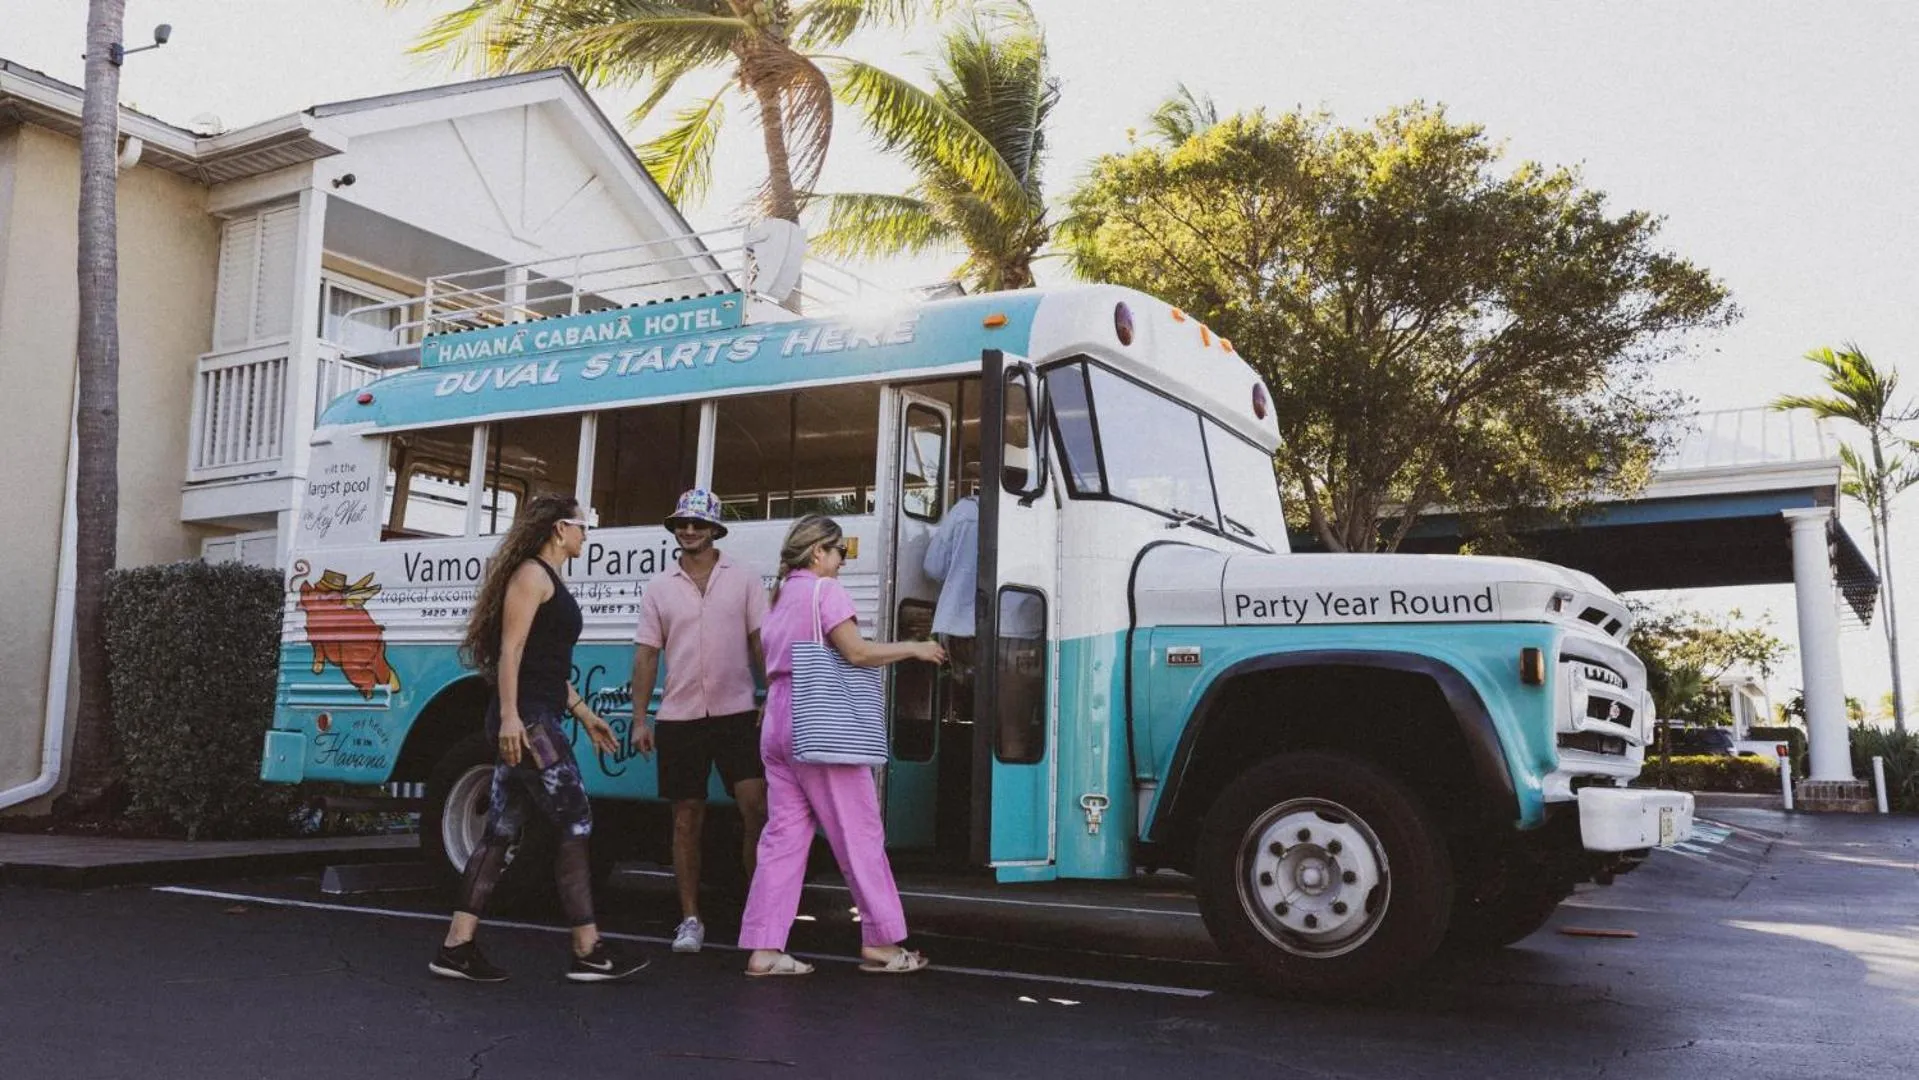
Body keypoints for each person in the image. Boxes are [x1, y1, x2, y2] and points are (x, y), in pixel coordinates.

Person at [429, 493, 649, 984]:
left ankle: (456, 947)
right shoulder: (531, 575)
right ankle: (588, 950)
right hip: (530, 726)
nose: (586, 535)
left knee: (501, 829)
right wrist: (509, 718)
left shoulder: (548, 579)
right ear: (558, 530)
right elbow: (510, 652)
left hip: (538, 714)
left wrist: (585, 713)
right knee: (575, 818)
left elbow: (545, 663)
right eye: (581, 526)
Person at [738, 515, 945, 977]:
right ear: (818, 553)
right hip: (821, 722)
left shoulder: (779, 598)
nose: (842, 564)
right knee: (860, 833)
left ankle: (766, 948)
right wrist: (915, 648)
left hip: (778, 717)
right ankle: (882, 941)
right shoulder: (823, 591)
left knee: (783, 839)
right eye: (839, 553)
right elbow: (856, 653)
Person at [628, 489, 770, 955]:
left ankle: (758, 912)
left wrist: (772, 695)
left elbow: (759, 642)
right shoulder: (659, 587)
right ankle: (690, 919)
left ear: (714, 530)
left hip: (736, 712)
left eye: (698, 524)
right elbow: (647, 655)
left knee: (756, 806)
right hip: (680, 716)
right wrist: (639, 718)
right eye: (681, 524)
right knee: (686, 817)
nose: (689, 530)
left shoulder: (744, 578)